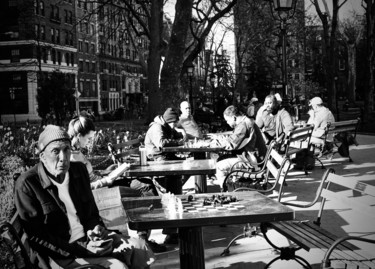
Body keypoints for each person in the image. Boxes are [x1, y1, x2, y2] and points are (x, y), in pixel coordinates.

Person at [14, 125, 154, 269]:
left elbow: (91, 213)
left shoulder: (79, 171)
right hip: (61, 255)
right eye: (55, 151)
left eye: (66, 149)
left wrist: (95, 230)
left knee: (140, 247)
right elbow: (38, 238)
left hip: (89, 241)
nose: (63, 158)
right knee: (118, 266)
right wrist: (84, 249)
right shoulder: (27, 184)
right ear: (42, 156)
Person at [67, 116, 166, 253]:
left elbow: (90, 176)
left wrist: (109, 172)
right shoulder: (71, 158)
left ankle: (144, 237)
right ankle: (144, 239)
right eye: (88, 139)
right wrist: (106, 180)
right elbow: (83, 188)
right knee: (144, 191)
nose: (90, 143)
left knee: (146, 183)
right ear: (78, 136)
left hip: (104, 181)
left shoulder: (76, 152)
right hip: (100, 190)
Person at [144, 107, 187, 244]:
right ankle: (170, 231)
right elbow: (161, 144)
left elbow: (177, 135)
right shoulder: (157, 127)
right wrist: (179, 142)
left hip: (165, 159)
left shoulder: (166, 125)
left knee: (176, 188)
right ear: (168, 120)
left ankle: (172, 232)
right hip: (157, 161)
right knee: (168, 196)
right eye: (173, 122)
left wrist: (181, 133)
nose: (174, 125)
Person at [212, 105, 267, 190]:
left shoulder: (243, 125)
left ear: (234, 118)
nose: (227, 122)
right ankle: (230, 185)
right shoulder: (246, 121)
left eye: (227, 120)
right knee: (220, 159)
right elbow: (235, 138)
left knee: (218, 166)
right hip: (253, 157)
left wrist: (216, 142)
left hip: (251, 161)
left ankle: (227, 189)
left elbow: (231, 144)